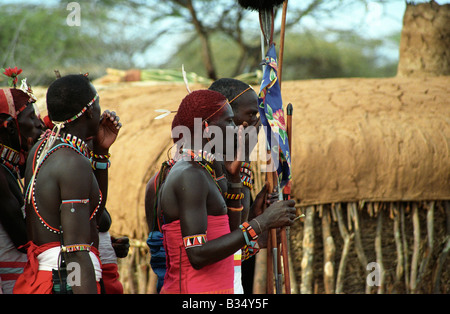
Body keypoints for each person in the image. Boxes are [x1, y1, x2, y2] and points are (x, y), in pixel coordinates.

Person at [158, 89, 296, 294]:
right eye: (229, 121)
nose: (237, 128)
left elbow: (228, 236)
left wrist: (234, 181)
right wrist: (263, 222)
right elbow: (197, 255)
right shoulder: (190, 174)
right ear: (206, 128)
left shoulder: (207, 170)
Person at [14, 74, 122, 294]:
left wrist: (101, 155)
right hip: (66, 283)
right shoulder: (72, 161)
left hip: (48, 279)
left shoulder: (43, 148)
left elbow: (94, 217)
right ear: (90, 111)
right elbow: (76, 251)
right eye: (98, 103)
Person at [0, 70, 45, 294]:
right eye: (31, 119)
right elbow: (24, 239)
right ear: (9, 127)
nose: (40, 126)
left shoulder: (10, 171)